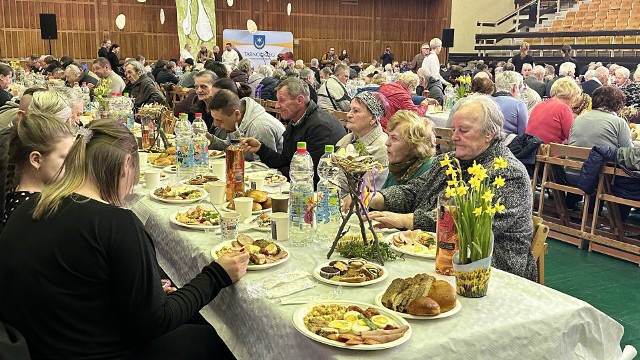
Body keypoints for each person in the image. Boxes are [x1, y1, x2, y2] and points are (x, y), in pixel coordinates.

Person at [0, 119, 249, 359]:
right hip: (94, 350)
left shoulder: (30, 204)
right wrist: (216, 275)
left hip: (43, 343)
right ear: (126, 163)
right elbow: (156, 322)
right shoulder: (115, 223)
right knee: (226, 340)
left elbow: (73, 279)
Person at [364, 94, 537, 281]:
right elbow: (413, 191)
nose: (454, 137)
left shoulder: (508, 173)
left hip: (488, 270)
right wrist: (373, 198)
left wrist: (407, 220)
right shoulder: (448, 161)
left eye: (463, 130)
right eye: (454, 129)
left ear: (489, 134)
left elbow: (466, 222)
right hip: (437, 255)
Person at [239, 78, 346, 184]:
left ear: (299, 100)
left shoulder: (321, 127)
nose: (276, 105)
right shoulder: (296, 120)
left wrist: (278, 173)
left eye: (281, 100)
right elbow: (285, 160)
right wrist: (260, 148)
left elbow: (311, 177)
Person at [2, 114, 75, 226]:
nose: (72, 164)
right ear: (36, 160)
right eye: (65, 158)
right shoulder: (30, 210)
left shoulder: (32, 201)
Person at [208, 89, 285, 161]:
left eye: (220, 121)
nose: (215, 124)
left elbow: (265, 166)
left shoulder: (260, 127)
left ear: (237, 114)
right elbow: (229, 146)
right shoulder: (235, 122)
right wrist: (211, 139)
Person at [336, 92, 390, 189]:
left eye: (356, 111)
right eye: (350, 109)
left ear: (373, 119)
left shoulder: (382, 149)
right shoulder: (346, 139)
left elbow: (366, 194)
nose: (348, 115)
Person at [382, 110, 436, 188]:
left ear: (413, 144)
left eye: (394, 138)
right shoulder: (398, 166)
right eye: (388, 136)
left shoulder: (429, 170)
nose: (387, 143)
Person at [526, 77, 581, 144]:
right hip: (550, 151)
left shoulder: (539, 105)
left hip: (532, 148)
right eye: (576, 98)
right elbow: (572, 137)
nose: (575, 102)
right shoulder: (563, 108)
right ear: (571, 94)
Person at [493, 71, 528, 135]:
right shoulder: (519, 105)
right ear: (514, 88)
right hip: (508, 143)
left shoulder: (486, 102)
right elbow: (522, 135)